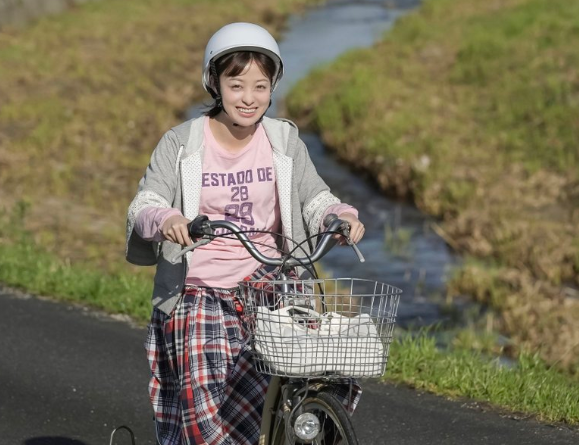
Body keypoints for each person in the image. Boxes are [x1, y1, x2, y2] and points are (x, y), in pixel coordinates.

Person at [126, 22, 365, 445]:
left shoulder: (283, 140)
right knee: (204, 404)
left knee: (324, 371)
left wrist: (339, 215)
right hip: (198, 289)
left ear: (274, 85)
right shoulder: (181, 144)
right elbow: (145, 205)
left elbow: (315, 197)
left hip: (271, 281)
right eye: (237, 85)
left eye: (260, 85)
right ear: (215, 83)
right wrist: (168, 221)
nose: (249, 98)